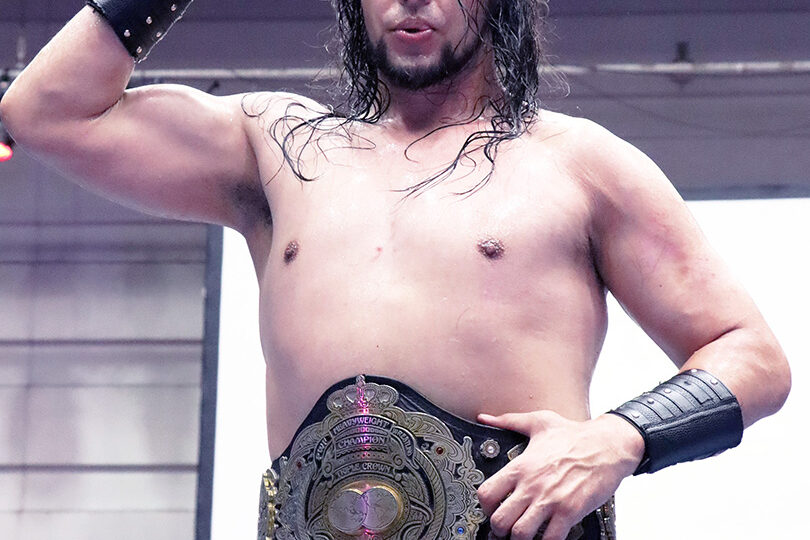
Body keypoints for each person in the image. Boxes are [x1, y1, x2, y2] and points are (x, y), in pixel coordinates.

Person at [0, 1, 791, 539]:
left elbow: (751, 356)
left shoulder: (578, 164)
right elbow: (43, 112)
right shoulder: (275, 148)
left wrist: (620, 438)